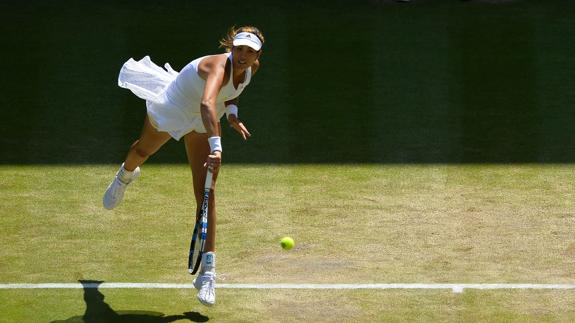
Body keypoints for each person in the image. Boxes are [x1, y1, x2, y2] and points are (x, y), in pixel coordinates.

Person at [102, 26, 264, 307]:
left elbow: (234, 92)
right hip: (177, 106)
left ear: (257, 55)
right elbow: (207, 102)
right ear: (232, 47)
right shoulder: (218, 67)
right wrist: (217, 146)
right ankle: (125, 176)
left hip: (205, 119)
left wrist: (234, 114)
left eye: (250, 51)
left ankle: (207, 274)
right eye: (239, 49)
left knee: (206, 193)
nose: (243, 56)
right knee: (142, 150)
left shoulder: (251, 68)